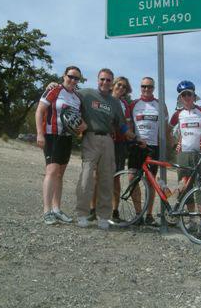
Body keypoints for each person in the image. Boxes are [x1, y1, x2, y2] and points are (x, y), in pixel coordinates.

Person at [76, 68, 134, 229]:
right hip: (90, 137)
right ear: (98, 79)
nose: (105, 82)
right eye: (102, 79)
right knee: (87, 176)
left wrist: (131, 135)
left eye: (108, 80)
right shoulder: (86, 94)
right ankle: (82, 214)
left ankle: (103, 216)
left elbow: (121, 124)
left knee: (107, 179)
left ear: (111, 82)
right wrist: (54, 86)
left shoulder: (115, 103)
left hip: (108, 141)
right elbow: (68, 94)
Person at [35, 66, 87, 225]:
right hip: (51, 136)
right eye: (71, 76)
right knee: (51, 171)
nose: (73, 80)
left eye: (76, 78)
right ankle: (47, 211)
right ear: (64, 76)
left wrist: (83, 126)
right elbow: (39, 111)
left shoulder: (77, 97)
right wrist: (39, 133)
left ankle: (57, 209)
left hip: (66, 138)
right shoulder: (54, 90)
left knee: (60, 174)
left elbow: (80, 119)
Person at [88, 76, 133, 223]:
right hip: (102, 140)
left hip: (119, 144)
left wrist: (132, 137)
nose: (121, 88)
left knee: (116, 178)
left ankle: (114, 211)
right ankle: (92, 209)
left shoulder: (125, 104)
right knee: (97, 176)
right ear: (113, 85)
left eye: (124, 87)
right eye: (119, 85)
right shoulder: (102, 98)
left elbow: (126, 125)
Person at [128, 76, 168, 226]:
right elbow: (129, 125)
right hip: (137, 146)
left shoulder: (160, 105)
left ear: (154, 88)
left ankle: (149, 215)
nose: (146, 89)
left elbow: (166, 128)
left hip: (153, 147)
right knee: (132, 179)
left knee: (151, 182)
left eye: (149, 87)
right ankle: (139, 213)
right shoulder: (133, 104)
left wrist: (169, 147)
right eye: (144, 86)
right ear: (140, 87)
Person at [169, 80, 201, 188]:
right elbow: (167, 130)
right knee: (184, 189)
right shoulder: (177, 114)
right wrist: (175, 144)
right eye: (183, 94)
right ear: (180, 97)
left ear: (194, 96)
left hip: (200, 154)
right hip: (183, 154)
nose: (187, 97)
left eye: (189, 94)